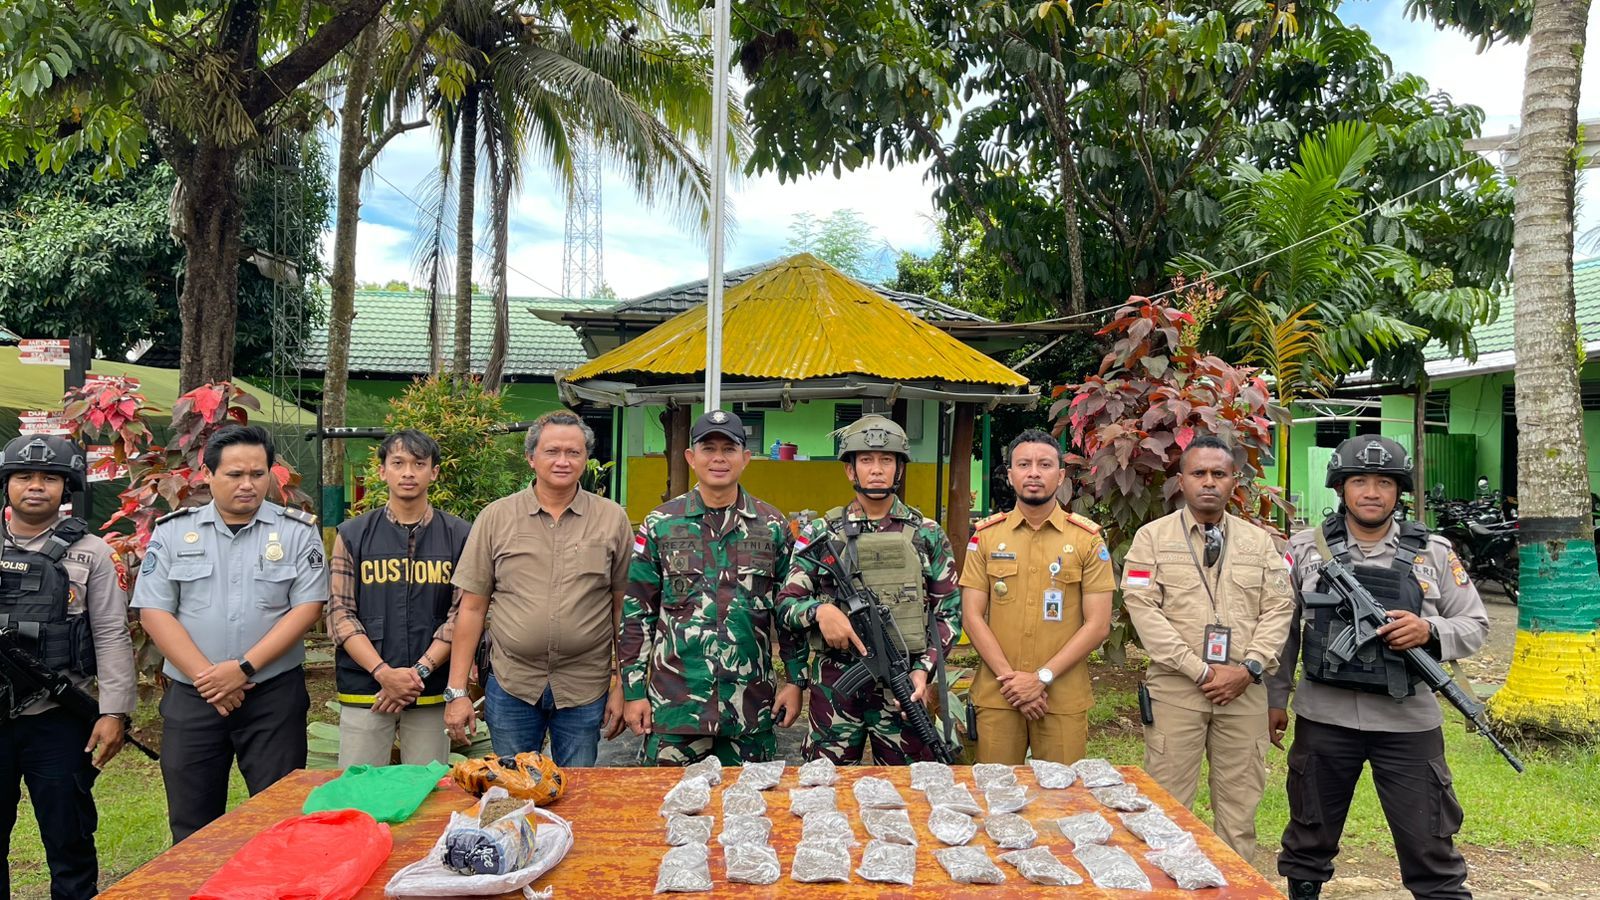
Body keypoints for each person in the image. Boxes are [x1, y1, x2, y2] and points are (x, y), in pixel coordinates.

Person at [1271, 436, 1488, 900]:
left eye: (1385, 482)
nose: (1372, 492)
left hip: (1408, 723)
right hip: (1324, 719)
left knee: (1430, 847)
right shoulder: (1306, 550)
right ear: (1341, 488)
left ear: (1399, 491)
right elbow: (1285, 629)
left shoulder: (1433, 551)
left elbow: (1476, 625)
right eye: (1360, 481)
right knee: (1308, 839)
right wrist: (1275, 699)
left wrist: (1428, 630)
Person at [132, 425, 326, 843]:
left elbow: (307, 608)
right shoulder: (172, 532)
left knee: (282, 820)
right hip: (193, 696)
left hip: (272, 696)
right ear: (208, 474)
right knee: (192, 824)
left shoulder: (297, 531)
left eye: (258, 474)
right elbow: (154, 612)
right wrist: (211, 677)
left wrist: (243, 668)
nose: (247, 484)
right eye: (235, 474)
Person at [1120, 434, 1295, 860]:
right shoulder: (1151, 539)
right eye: (1199, 473)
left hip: (1243, 691)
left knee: (1239, 816)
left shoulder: (1261, 544)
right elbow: (1142, 608)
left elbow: (1280, 608)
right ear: (1181, 481)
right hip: (1177, 691)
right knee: (1165, 809)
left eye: (1220, 473)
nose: (1209, 482)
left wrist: (1249, 668)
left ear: (1235, 482)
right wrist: (1198, 670)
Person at [445, 410, 631, 766]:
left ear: (586, 458)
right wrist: (457, 692)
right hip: (512, 683)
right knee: (514, 792)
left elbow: (622, 607)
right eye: (552, 451)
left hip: (585, 687)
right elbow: (471, 608)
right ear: (531, 457)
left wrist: (622, 686)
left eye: (573, 452)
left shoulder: (611, 519)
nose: (563, 461)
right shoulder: (496, 518)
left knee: (576, 793)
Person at [618, 409, 805, 765]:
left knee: (751, 815)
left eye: (729, 448)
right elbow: (636, 612)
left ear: (745, 458)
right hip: (675, 709)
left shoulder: (772, 526)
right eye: (708, 448)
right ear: (691, 457)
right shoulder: (661, 525)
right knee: (670, 813)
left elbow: (787, 611)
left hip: (749, 709)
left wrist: (795, 682)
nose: (718, 458)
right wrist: (632, 691)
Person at [775, 414, 961, 764]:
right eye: (866, 460)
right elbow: (786, 605)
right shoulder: (821, 532)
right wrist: (821, 612)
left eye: (886, 460)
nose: (877, 469)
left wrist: (924, 669)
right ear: (850, 471)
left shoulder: (927, 534)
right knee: (824, 792)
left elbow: (948, 613)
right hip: (835, 685)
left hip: (903, 686)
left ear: (899, 470)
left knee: (907, 793)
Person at [0, 435, 136, 899]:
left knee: (69, 838)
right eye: (24, 476)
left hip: (57, 719)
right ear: (7, 483)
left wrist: (114, 712)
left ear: (67, 487)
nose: (35, 486)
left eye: (49, 478)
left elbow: (112, 632)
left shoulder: (93, 552)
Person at [960, 429, 1115, 764]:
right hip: (999, 695)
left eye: (1044, 465)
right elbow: (971, 617)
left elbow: (1098, 624)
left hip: (1061, 698)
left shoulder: (1087, 540)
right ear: (1010, 474)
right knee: (996, 797)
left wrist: (1041, 678)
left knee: (1062, 801)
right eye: (1024, 464)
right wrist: (1013, 683)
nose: (1033, 472)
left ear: (1060, 476)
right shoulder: (986, 537)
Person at [327, 429, 470, 767]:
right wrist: (382, 673)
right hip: (366, 689)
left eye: (419, 464)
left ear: (433, 472)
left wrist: (418, 672)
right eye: (398, 463)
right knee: (360, 794)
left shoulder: (460, 535)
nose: (408, 472)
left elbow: (462, 615)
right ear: (382, 471)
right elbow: (340, 614)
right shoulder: (352, 534)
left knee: (425, 791)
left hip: (429, 688)